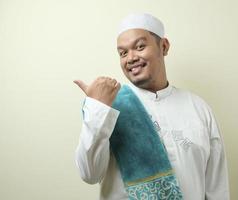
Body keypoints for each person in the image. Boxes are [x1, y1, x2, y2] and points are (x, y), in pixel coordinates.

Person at [74, 13, 229, 200]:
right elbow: (89, 174)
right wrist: (97, 109)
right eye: (123, 53)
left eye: (139, 47)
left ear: (164, 46)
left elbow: (216, 187)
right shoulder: (109, 106)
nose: (130, 58)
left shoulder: (198, 108)